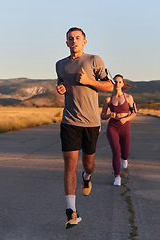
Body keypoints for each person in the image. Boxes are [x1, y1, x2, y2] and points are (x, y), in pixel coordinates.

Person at [56, 27, 114, 229]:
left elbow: (109, 86)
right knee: (69, 165)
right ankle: (72, 212)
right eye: (70, 39)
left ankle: (87, 177)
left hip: (91, 122)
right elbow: (62, 85)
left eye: (77, 38)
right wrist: (60, 89)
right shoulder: (60, 65)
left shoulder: (94, 60)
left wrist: (89, 81)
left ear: (84, 41)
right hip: (69, 122)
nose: (74, 41)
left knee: (88, 164)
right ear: (66, 43)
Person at [101, 74, 136, 186]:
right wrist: (109, 116)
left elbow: (134, 113)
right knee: (116, 151)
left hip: (125, 127)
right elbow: (102, 115)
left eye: (119, 82)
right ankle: (117, 177)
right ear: (113, 83)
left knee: (124, 153)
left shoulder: (129, 98)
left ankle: (124, 159)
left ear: (123, 84)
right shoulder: (108, 99)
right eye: (115, 82)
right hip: (113, 127)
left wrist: (126, 119)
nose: (117, 84)